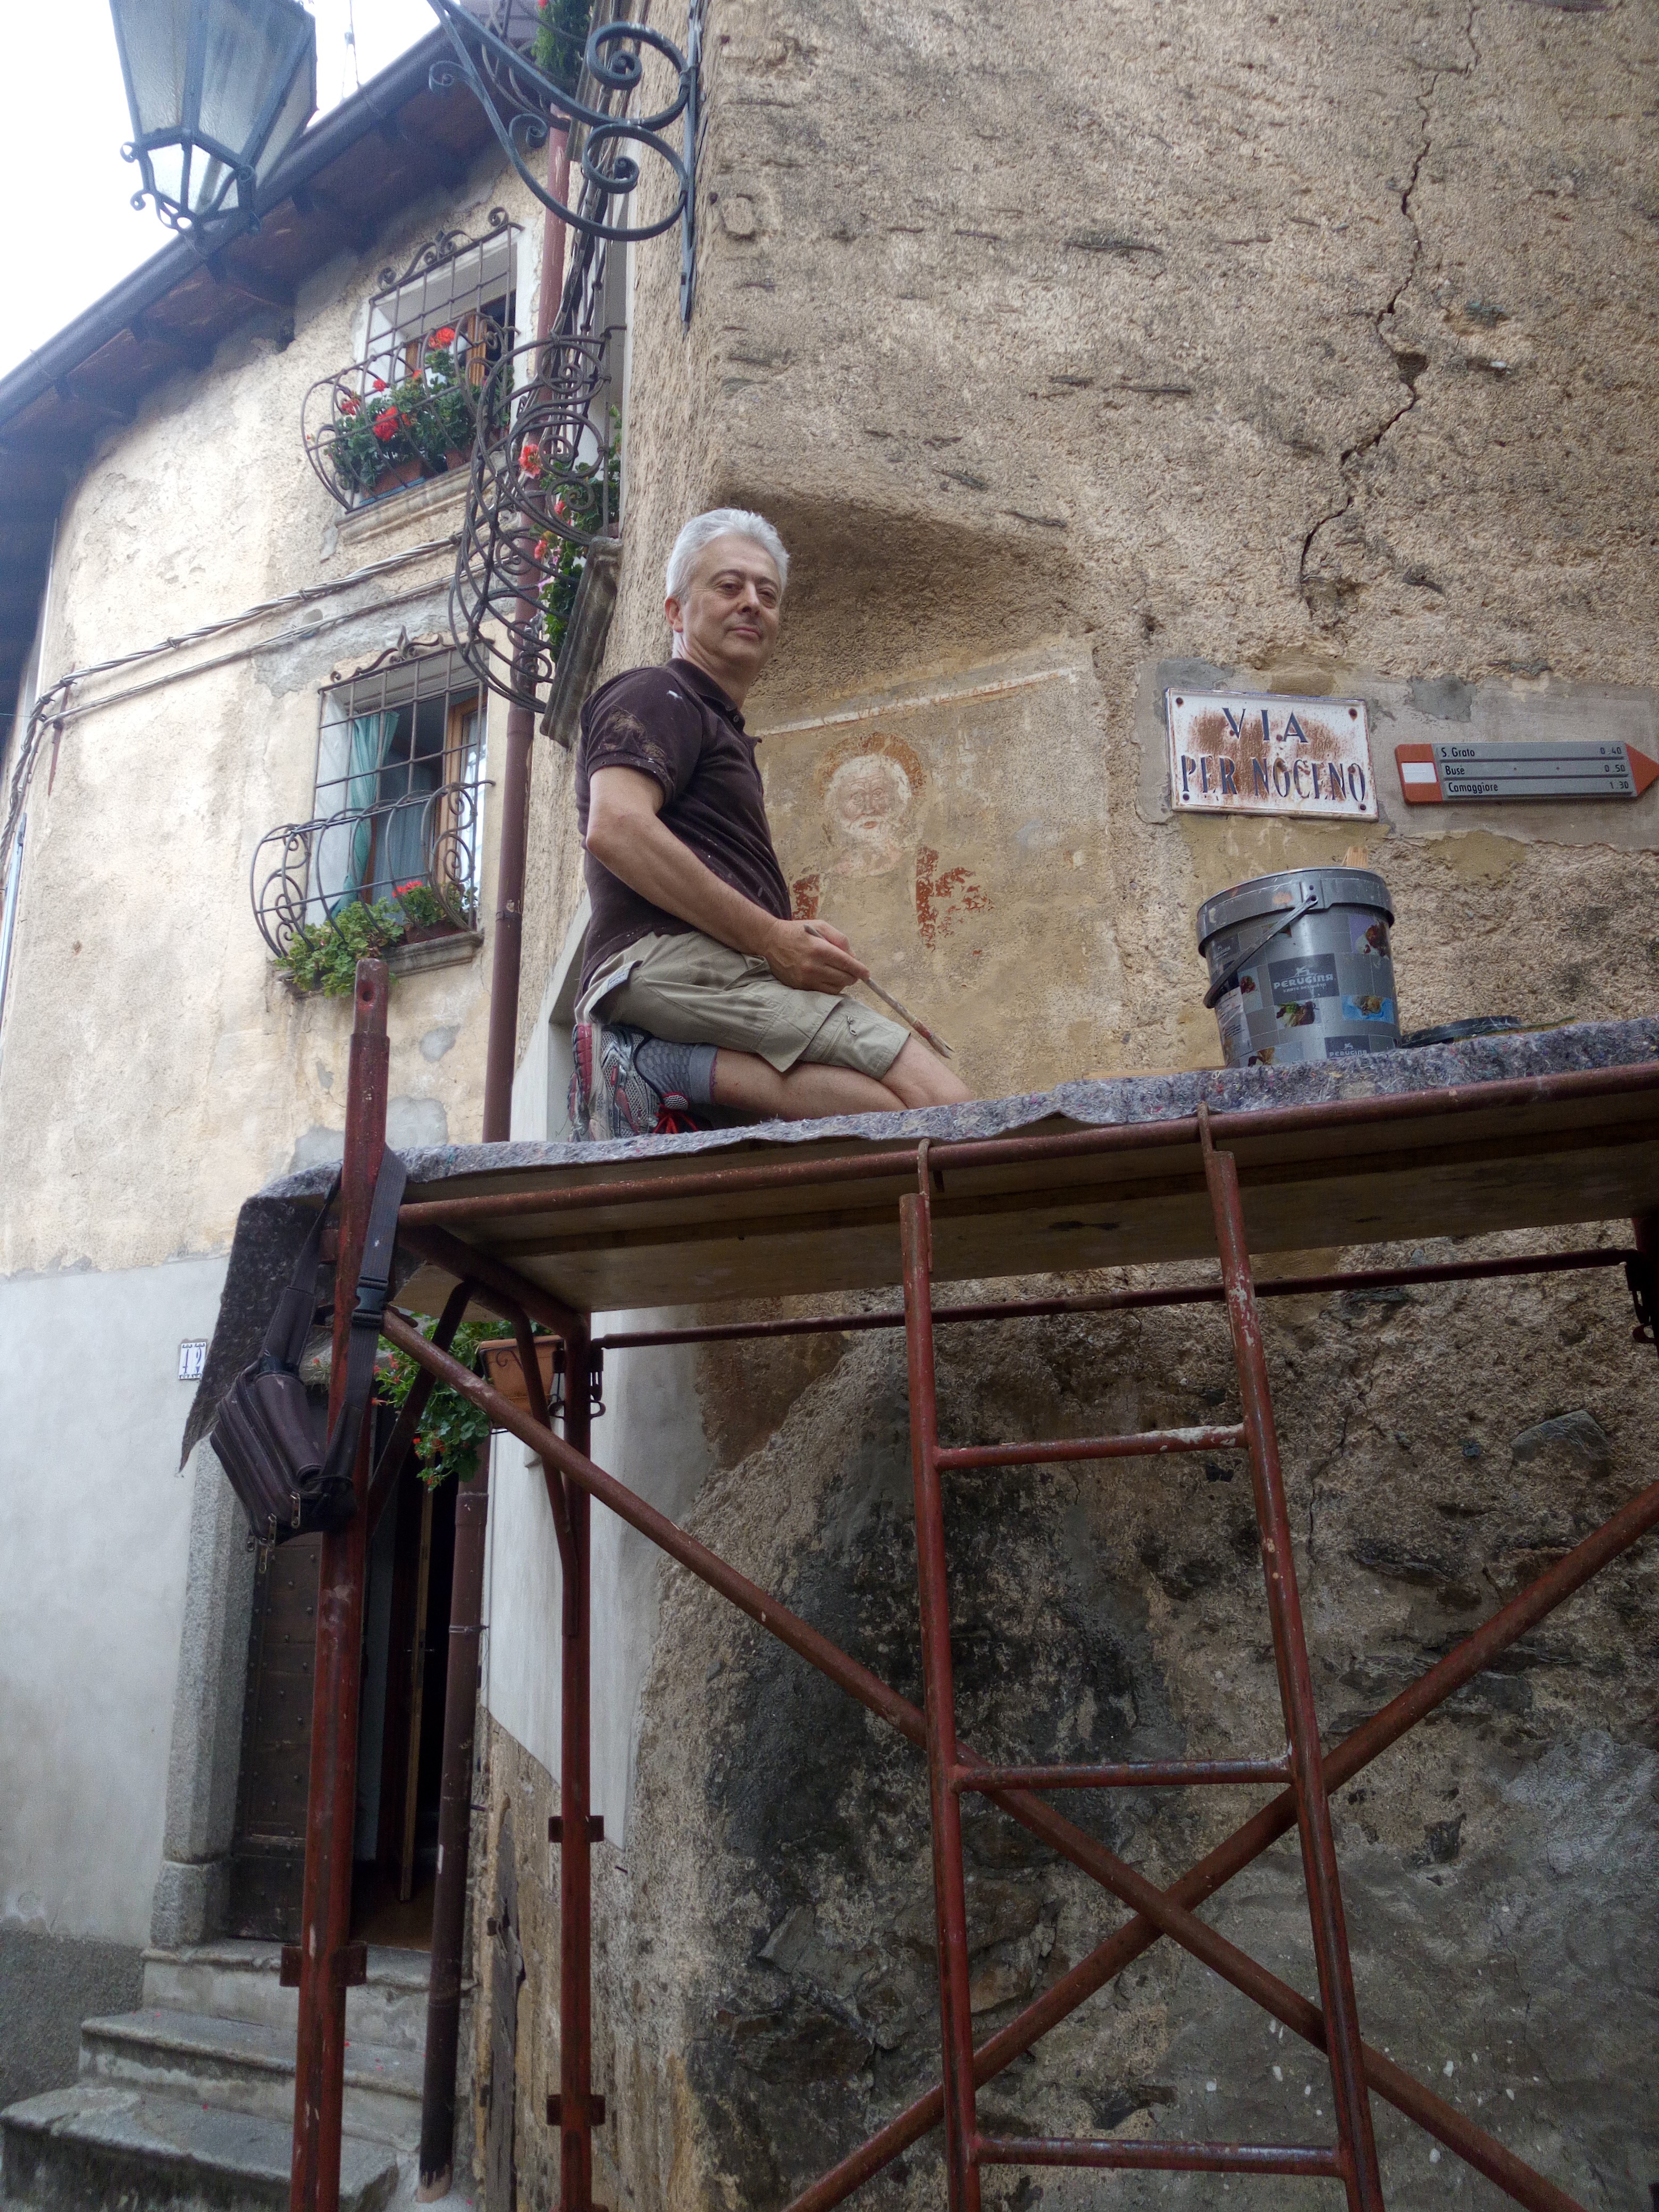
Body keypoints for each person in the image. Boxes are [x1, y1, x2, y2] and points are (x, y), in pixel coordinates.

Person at [569, 506, 973, 1139]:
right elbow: (616, 826)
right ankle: (650, 1063)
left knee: (889, 1115)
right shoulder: (657, 693)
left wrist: (785, 934)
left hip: (703, 970)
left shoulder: (715, 724)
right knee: (944, 1101)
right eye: (728, 586)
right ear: (675, 611)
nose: (752, 603)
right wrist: (771, 939)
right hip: (670, 961)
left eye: (768, 593)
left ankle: (662, 1067)